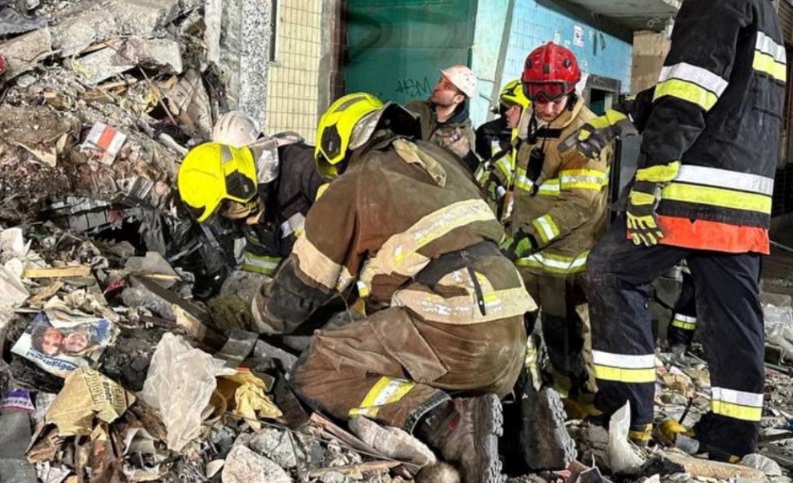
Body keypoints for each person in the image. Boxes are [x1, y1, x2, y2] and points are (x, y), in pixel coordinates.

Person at [240, 92, 562, 482]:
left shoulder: (354, 182)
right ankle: (525, 424)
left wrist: (252, 317)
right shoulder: (444, 163)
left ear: (335, 146)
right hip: (512, 338)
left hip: (453, 330)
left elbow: (300, 290)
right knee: (425, 358)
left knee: (319, 368)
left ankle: (447, 423)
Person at [580, 0, 785, 467]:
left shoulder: (714, 0)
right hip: (742, 202)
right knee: (733, 315)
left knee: (612, 271)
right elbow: (721, 93)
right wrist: (628, 110)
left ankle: (627, 413)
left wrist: (646, 185)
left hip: (691, 193)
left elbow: (689, 97)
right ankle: (730, 441)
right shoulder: (762, 12)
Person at [502, 42, 611, 420]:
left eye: (555, 96)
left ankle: (579, 401)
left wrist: (531, 234)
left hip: (565, 255)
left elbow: (578, 205)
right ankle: (518, 388)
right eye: (537, 95)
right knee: (515, 325)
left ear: (573, 91)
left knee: (563, 331)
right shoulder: (533, 120)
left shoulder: (586, 136)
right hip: (527, 249)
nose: (546, 105)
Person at [174, 111, 326, 300]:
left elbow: (348, 216)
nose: (234, 212)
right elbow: (263, 258)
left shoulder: (302, 169)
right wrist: (248, 293)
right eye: (224, 208)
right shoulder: (244, 205)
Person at [474, 78, 528, 221]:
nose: (507, 113)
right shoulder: (516, 142)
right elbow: (492, 173)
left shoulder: (534, 146)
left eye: (515, 108)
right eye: (507, 107)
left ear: (529, 111)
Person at [407, 65, 478, 166]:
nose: (436, 87)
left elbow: (464, 175)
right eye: (440, 81)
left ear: (458, 98)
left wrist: (465, 156)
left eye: (447, 86)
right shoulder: (415, 108)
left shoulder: (464, 136)